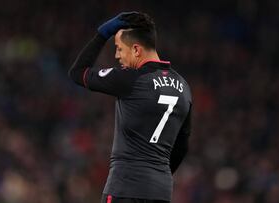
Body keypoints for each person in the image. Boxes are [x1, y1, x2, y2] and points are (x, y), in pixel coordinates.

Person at [69, 12, 192, 203]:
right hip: (160, 192)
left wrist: (102, 34)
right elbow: (182, 145)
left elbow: (77, 72)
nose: (117, 55)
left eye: (118, 48)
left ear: (136, 49)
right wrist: (156, 177)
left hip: (124, 188)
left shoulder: (131, 79)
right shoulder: (184, 87)